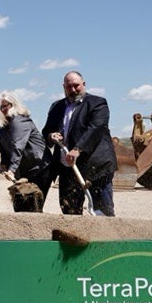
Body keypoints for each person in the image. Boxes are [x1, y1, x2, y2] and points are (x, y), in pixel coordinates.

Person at [41, 71, 117, 216]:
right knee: (70, 211)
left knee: (102, 212)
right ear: (64, 87)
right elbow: (46, 131)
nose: (73, 90)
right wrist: (51, 135)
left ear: (84, 84)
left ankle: (105, 238)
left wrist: (78, 149)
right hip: (67, 168)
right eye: (69, 87)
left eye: (76, 86)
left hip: (96, 167)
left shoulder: (97, 103)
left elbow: (96, 128)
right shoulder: (56, 107)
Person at [0, 90, 48, 190]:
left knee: (32, 201)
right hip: (24, 169)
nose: (4, 109)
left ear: (13, 104)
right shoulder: (4, 125)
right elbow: (3, 146)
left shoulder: (18, 121)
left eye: (7, 105)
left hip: (39, 168)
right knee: (21, 202)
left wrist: (12, 169)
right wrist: (4, 164)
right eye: (1, 107)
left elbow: (17, 146)